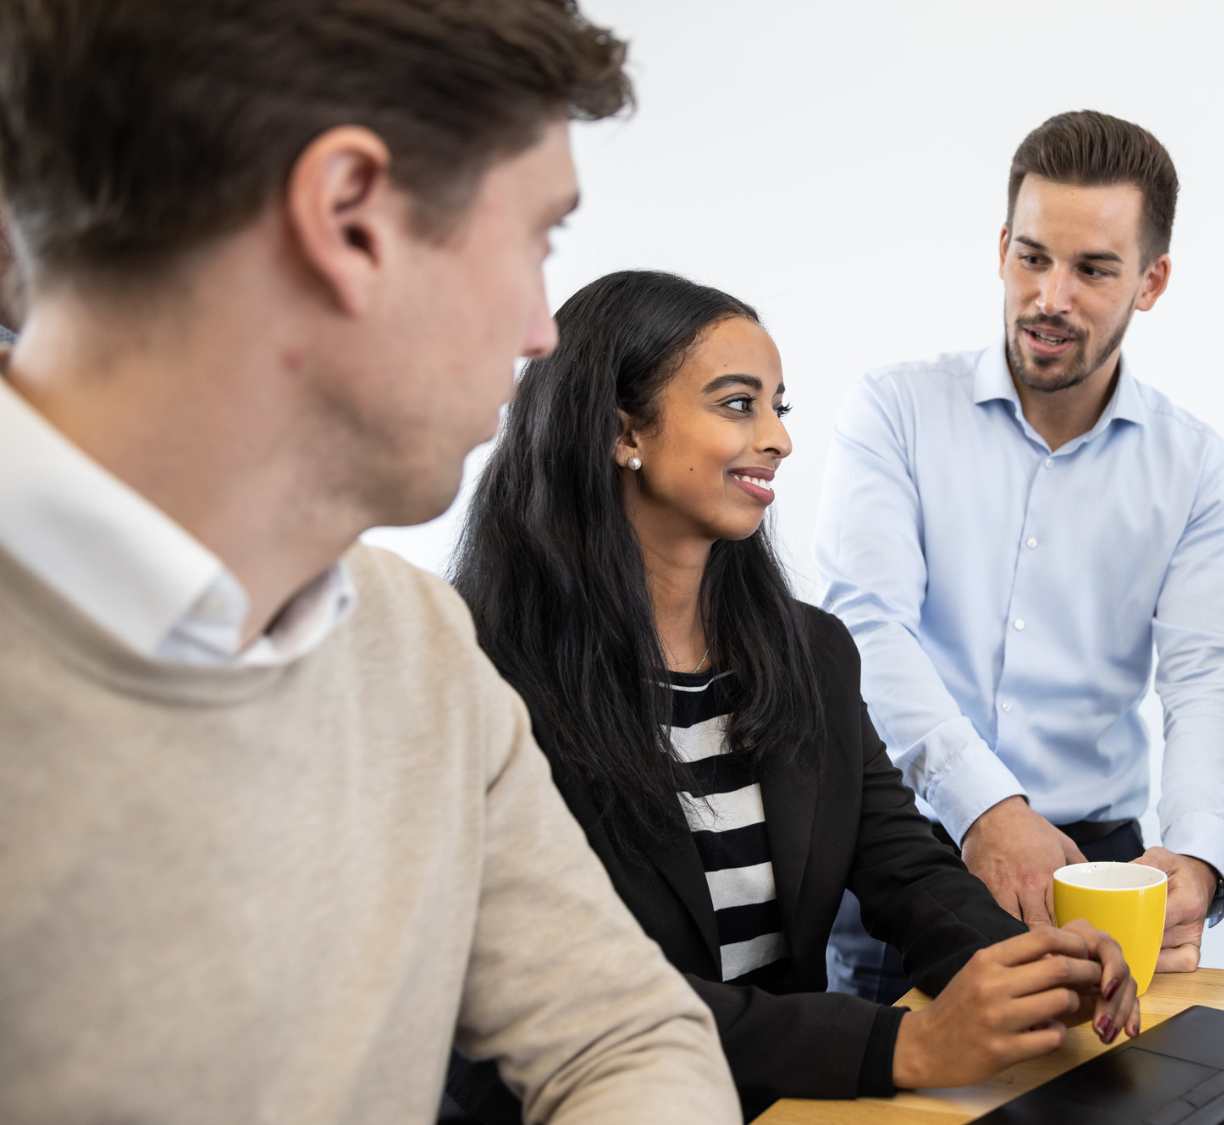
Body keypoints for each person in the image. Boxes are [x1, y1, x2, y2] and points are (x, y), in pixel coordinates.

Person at [0, 3, 741, 1122]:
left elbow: (624, 1036)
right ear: (349, 219)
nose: (542, 330)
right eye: (538, 239)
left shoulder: (417, 647)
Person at [444, 270, 1142, 1122]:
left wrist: (1035, 966)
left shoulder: (808, 651)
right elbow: (581, 991)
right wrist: (899, 1045)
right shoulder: (482, 675)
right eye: (739, 404)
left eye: (780, 406)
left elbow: (904, 867)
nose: (777, 438)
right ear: (623, 428)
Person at [816, 109, 1224, 1002]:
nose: (1050, 296)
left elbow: (1211, 675)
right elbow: (865, 625)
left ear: (1151, 280)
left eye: (1093, 268)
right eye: (1032, 257)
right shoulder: (893, 412)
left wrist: (1202, 855)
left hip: (1095, 864)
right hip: (902, 846)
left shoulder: (1199, 467)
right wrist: (983, 803)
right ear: (1001, 250)